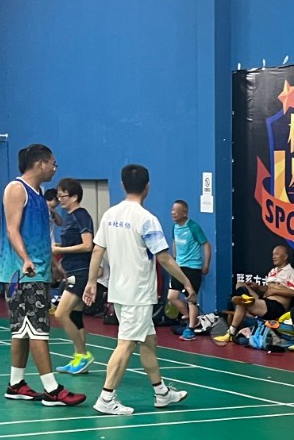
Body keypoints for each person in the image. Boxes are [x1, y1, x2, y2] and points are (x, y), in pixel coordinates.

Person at [82, 163, 192, 416]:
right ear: (147, 187)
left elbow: (97, 250)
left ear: (123, 185)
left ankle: (162, 393)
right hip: (138, 294)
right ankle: (106, 397)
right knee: (126, 344)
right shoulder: (147, 219)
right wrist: (186, 282)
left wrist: (91, 282)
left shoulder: (110, 214)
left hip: (119, 292)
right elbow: (164, 258)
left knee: (148, 341)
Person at [0, 144, 85, 406]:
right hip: (22, 273)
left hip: (39, 270)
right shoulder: (17, 189)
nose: (54, 168)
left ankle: (16, 384)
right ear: (40, 163)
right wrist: (26, 259)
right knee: (37, 330)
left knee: (22, 331)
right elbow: (12, 230)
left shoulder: (38, 195)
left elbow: (39, 236)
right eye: (53, 163)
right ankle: (52, 390)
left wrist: (55, 266)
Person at [221, 244, 294, 350]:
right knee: (240, 284)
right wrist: (257, 287)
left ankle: (231, 332)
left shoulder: (291, 272)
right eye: (273, 254)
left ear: (285, 256)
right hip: (264, 301)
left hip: (276, 307)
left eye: (277, 254)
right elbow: (268, 289)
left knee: (242, 302)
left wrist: (275, 290)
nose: (274, 257)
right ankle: (245, 300)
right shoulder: (272, 271)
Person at [50, 179, 96, 373]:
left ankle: (83, 354)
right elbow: (74, 243)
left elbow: (88, 245)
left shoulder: (81, 215)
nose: (60, 199)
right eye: (59, 196)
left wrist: (61, 250)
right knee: (75, 315)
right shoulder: (68, 216)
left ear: (75, 196)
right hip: (71, 271)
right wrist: (59, 247)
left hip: (80, 271)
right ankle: (78, 358)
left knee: (61, 313)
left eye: (64, 195)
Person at [168, 200, 209, 339]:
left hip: (193, 267)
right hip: (179, 267)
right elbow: (174, 242)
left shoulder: (193, 227)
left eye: (176, 210)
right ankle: (190, 317)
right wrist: (175, 259)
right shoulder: (174, 227)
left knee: (191, 299)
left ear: (184, 213)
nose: (173, 213)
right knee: (172, 297)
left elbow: (206, 245)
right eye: (172, 210)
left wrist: (206, 265)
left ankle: (190, 329)